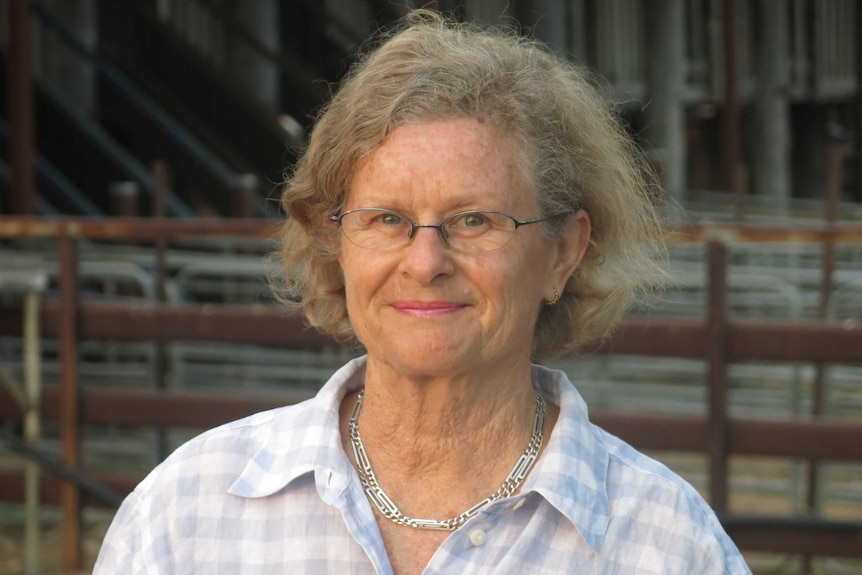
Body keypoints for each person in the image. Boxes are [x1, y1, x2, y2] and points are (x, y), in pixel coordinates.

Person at [95, 10, 751, 574]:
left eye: (474, 220)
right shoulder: (184, 513)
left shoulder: (667, 545)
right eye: (387, 219)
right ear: (337, 242)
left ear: (563, 253)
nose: (426, 260)